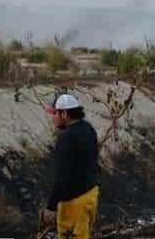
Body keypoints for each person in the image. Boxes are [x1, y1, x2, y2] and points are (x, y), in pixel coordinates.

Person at [41, 93, 100, 239]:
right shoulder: (88, 128)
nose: (53, 117)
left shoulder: (67, 138)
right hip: (91, 195)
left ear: (64, 113)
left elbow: (62, 176)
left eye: (55, 113)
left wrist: (51, 207)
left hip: (74, 204)